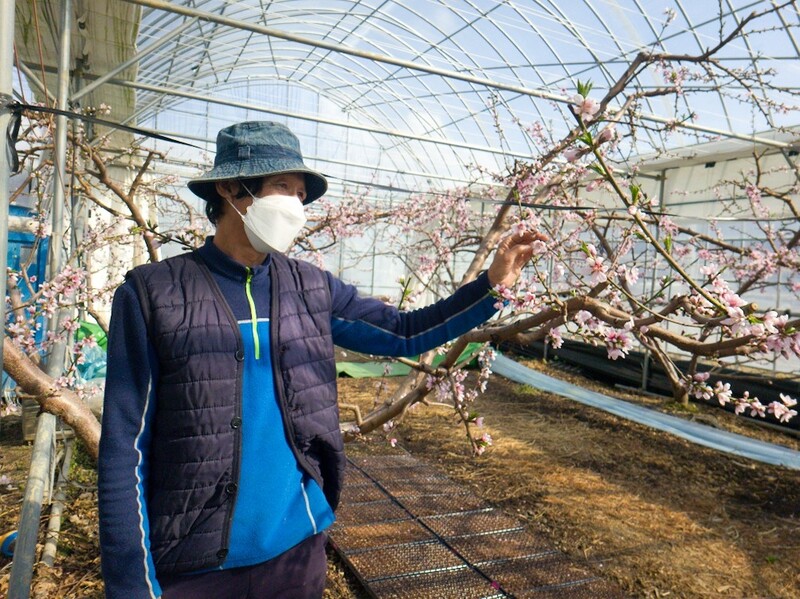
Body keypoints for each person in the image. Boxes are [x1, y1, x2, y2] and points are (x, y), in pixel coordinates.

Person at [98, 121, 542, 599]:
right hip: (194, 562)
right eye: (280, 187)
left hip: (297, 551)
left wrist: (490, 286)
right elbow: (128, 446)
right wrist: (131, 584)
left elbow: (405, 332)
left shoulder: (311, 288)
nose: (293, 204)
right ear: (229, 188)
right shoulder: (154, 294)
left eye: (300, 193)